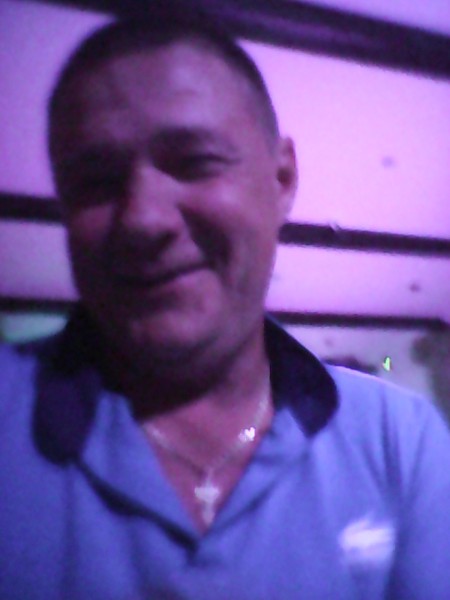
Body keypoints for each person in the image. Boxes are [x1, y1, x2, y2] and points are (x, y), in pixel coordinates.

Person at [1, 9, 450, 600]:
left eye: (195, 162)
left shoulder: (398, 439)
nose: (143, 219)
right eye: (95, 181)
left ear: (282, 179)